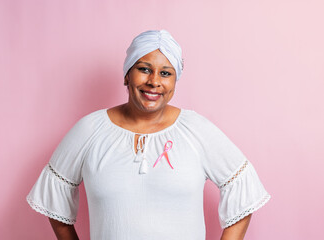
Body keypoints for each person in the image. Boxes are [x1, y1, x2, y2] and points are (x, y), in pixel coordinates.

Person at [27, 30, 270, 240]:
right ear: (126, 75)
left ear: (175, 81)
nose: (154, 81)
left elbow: (242, 185)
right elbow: (54, 196)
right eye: (144, 69)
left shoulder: (196, 130)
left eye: (165, 73)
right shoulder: (90, 130)